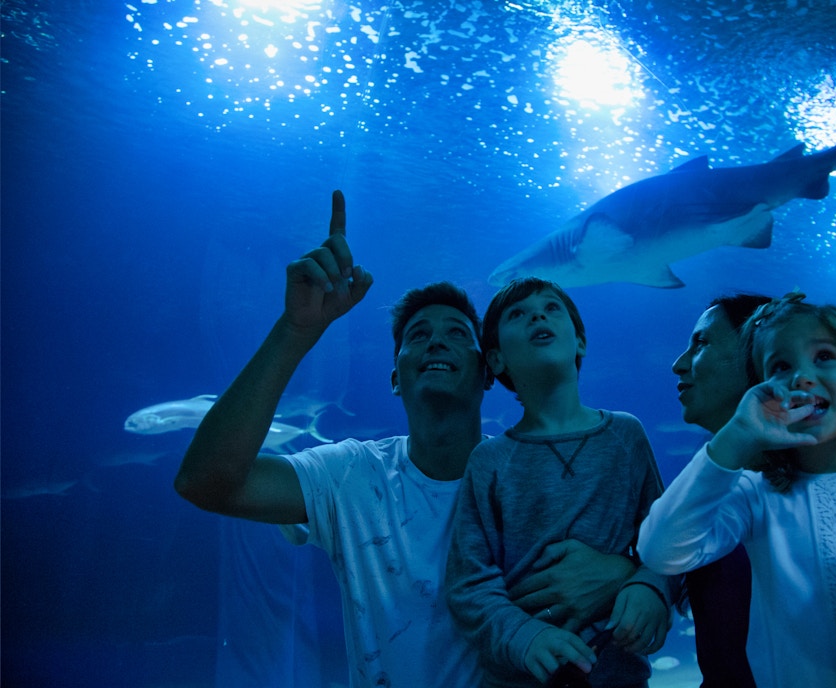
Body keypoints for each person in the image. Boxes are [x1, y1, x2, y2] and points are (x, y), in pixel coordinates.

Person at [174, 191, 639, 688]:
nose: (436, 341)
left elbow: (658, 552)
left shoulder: (533, 471)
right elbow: (206, 483)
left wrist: (629, 574)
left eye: (459, 333)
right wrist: (296, 329)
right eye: (417, 334)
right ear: (395, 376)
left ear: (489, 371)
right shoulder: (350, 476)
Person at [638, 291, 836, 687]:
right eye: (780, 366)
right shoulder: (753, 494)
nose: (802, 377)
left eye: (825, 357)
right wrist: (739, 433)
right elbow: (662, 549)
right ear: (759, 384)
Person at [447, 277, 679, 687]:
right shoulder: (490, 460)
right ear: (497, 360)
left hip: (618, 674)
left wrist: (650, 587)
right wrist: (524, 635)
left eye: (552, 307)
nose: (538, 314)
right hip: (519, 676)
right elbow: (469, 584)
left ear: (581, 342)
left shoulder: (626, 436)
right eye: (517, 314)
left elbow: (665, 543)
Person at [671, 294, 770, 688]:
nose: (678, 364)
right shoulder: (712, 484)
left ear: (757, 357)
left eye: (701, 343)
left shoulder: (812, 496)